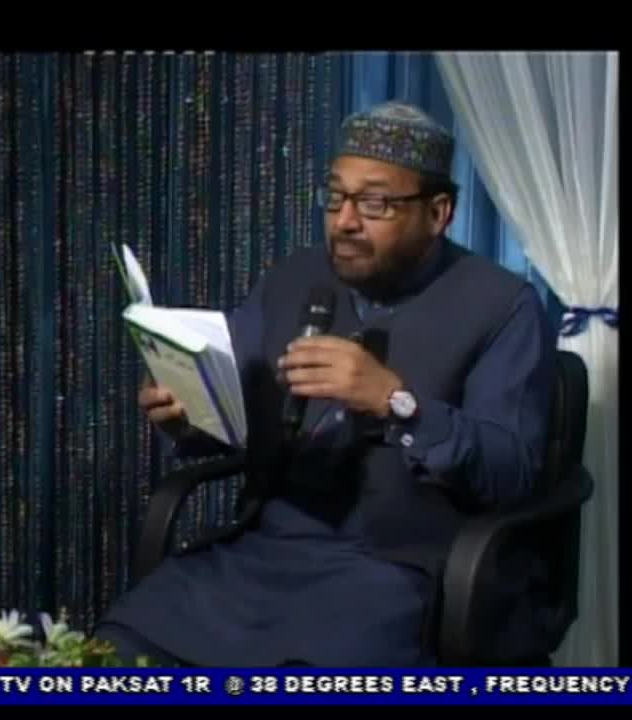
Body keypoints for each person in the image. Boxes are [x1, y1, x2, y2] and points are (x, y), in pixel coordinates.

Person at [93, 100, 558, 667]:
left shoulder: (503, 306)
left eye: (376, 203)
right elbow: (235, 410)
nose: (345, 221)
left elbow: (509, 472)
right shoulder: (293, 277)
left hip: (402, 570)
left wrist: (396, 403)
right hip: (262, 552)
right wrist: (185, 411)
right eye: (335, 197)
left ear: (439, 213)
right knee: (114, 652)